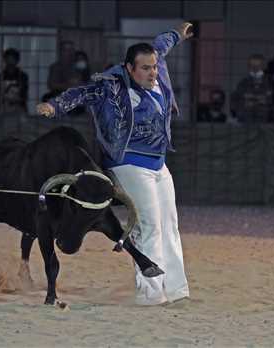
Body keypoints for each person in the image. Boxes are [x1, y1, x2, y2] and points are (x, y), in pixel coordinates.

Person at [37, 23, 193, 306]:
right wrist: (55, 105)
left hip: (159, 163)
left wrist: (178, 34)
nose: (152, 72)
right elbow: (81, 93)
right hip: (127, 163)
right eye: (145, 68)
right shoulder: (112, 87)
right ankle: (151, 293)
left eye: (154, 67)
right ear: (130, 68)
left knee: (169, 224)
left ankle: (176, 288)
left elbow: (161, 44)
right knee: (147, 225)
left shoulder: (157, 75)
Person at [231, 54, 274, 123]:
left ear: (263, 66)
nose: (255, 69)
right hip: (246, 123)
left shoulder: (272, 84)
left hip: (266, 124)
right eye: (252, 66)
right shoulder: (242, 84)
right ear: (248, 67)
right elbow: (235, 103)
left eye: (258, 66)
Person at [0, 48, 29, 113]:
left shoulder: (23, 76)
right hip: (2, 107)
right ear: (5, 60)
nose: (10, 61)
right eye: (8, 59)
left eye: (12, 59)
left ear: (17, 61)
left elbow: (24, 95)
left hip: (18, 107)